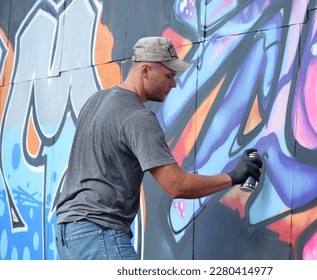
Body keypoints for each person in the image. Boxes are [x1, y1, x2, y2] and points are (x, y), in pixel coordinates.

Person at [55, 36, 262, 260]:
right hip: (99, 233)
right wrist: (233, 176)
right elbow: (177, 185)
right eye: (169, 75)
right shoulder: (137, 116)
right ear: (145, 70)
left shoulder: (96, 101)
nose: (174, 83)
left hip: (68, 233)